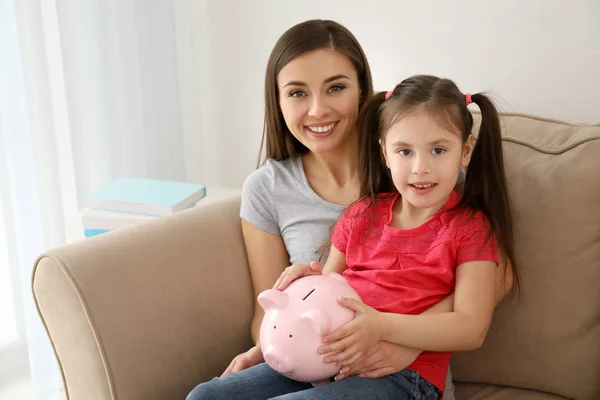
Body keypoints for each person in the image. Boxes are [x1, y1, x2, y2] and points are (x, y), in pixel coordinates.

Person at [186, 20, 513, 400]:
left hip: (402, 375)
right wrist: (270, 345)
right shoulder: (356, 211)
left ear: (361, 91)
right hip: (323, 358)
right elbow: (324, 292)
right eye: (297, 92)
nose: (318, 108)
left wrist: (390, 333)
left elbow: (482, 303)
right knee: (206, 397)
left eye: (335, 87)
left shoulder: (444, 205)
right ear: (386, 151)